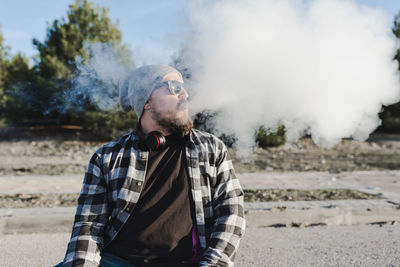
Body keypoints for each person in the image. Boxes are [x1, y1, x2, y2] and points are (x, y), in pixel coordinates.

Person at [58, 64, 245, 267]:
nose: (185, 94)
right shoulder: (107, 157)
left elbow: (231, 212)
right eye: (174, 87)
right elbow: (89, 225)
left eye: (183, 86)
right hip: (119, 262)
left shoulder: (211, 149)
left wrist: (214, 264)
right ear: (146, 101)